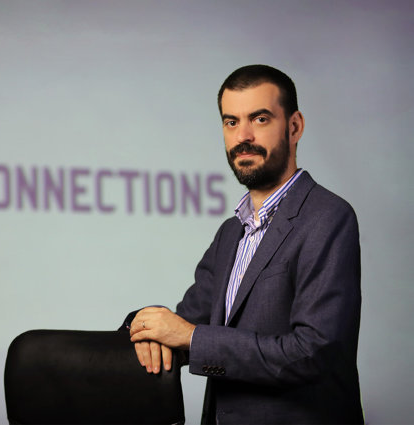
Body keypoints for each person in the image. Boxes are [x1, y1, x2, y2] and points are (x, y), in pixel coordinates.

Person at [124, 65, 363, 424]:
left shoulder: (328, 217)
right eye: (231, 122)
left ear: (294, 127)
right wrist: (145, 328)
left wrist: (190, 337)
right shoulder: (230, 232)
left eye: (260, 119)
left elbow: (313, 352)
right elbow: (185, 322)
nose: (243, 136)